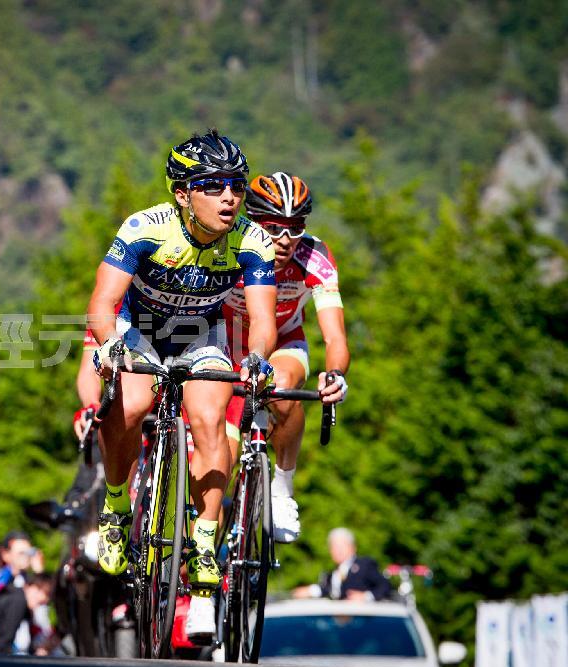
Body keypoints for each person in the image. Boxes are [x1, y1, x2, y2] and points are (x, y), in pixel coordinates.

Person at [86, 131, 277, 638]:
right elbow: (102, 303)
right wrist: (109, 346)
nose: (229, 198)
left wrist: (257, 358)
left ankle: (206, 538)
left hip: (201, 332)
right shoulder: (145, 228)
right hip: (140, 328)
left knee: (213, 417)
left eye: (235, 186)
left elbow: (261, 319)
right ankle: (114, 505)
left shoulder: (251, 239)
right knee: (128, 406)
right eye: (213, 186)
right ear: (182, 193)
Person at [222, 172, 350, 543]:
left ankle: (281, 486)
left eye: (295, 228)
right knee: (223, 453)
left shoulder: (315, 256)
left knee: (280, 387)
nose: (284, 240)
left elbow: (335, 336)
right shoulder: (228, 246)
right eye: (274, 227)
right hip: (226, 343)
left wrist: (335, 373)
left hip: (283, 342)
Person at [293, 527, 392, 602]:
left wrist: (366, 596)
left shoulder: (365, 565)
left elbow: (385, 585)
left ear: (353, 547)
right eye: (334, 547)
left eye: (342, 546)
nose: (338, 551)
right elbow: (327, 589)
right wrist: (309, 591)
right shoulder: (332, 573)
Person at [0, 573, 53, 655]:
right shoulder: (18, 601)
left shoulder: (20, 600)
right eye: (41, 591)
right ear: (29, 587)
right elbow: (6, 638)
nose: (44, 598)